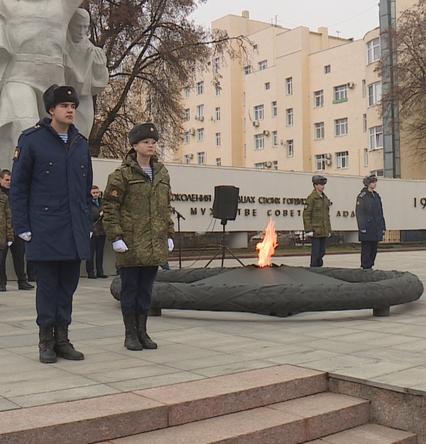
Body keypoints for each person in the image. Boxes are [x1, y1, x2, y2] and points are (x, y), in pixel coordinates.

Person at [10, 84, 92, 364]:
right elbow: (19, 187)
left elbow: (85, 189)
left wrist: (86, 222)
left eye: (73, 106)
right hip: (44, 228)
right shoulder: (32, 140)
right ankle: (45, 340)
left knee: (67, 288)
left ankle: (62, 339)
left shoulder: (80, 143)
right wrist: (22, 226)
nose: (70, 110)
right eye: (64, 106)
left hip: (73, 229)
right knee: (47, 288)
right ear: (51, 110)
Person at [103, 123, 174, 351]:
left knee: (145, 291)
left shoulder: (161, 173)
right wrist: (116, 236)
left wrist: (169, 233)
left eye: (153, 142)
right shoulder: (121, 175)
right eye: (145, 142)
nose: (151, 146)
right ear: (134, 146)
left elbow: (165, 206)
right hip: (131, 243)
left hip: (153, 243)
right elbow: (110, 207)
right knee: (130, 290)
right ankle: (130, 334)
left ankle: (143, 332)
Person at [0, 0, 83, 166]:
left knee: (56, 136)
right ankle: (12, 175)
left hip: (54, 82)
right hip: (19, 76)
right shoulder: (8, 4)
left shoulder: (62, 5)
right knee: (23, 126)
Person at [65, 8, 108, 137]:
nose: (82, 31)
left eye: (85, 27)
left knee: (81, 136)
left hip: (82, 101)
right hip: (60, 100)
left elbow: (97, 86)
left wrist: (99, 69)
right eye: (78, 26)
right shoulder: (60, 45)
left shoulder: (92, 51)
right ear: (70, 24)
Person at [0, 169, 34, 291]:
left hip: (16, 230)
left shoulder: (15, 194)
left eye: (10, 180)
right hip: (3, 232)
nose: (9, 182)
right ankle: (1, 283)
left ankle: (22, 281)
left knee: (19, 257)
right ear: (0, 180)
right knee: (1, 260)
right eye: (6, 180)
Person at [355, 175, 386, 270]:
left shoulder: (376, 196)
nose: (374, 184)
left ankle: (370, 265)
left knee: (374, 249)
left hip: (376, 226)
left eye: (375, 182)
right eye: (372, 182)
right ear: (368, 183)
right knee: (366, 248)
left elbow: (380, 213)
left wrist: (383, 227)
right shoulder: (362, 196)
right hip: (367, 227)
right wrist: (362, 227)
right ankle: (365, 267)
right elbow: (359, 213)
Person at [303, 175, 332, 267]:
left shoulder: (324, 198)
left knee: (322, 252)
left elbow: (326, 216)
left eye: (323, 184)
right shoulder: (312, 198)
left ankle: (319, 268)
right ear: (315, 185)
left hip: (323, 230)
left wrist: (329, 229)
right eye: (320, 184)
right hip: (315, 230)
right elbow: (306, 214)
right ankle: (314, 268)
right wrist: (308, 230)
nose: (323, 186)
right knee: (315, 253)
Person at [86, 185, 107, 279]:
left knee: (100, 253)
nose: (95, 194)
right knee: (90, 253)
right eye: (94, 193)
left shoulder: (102, 202)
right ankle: (90, 272)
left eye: (97, 192)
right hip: (92, 231)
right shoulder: (88, 203)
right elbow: (89, 216)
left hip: (101, 231)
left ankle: (100, 271)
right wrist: (99, 214)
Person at [0, 172, 13, 288]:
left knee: (1, 260)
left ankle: (2, 283)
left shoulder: (5, 197)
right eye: (7, 180)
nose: (9, 182)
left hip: (4, 233)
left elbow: (9, 217)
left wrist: (10, 235)